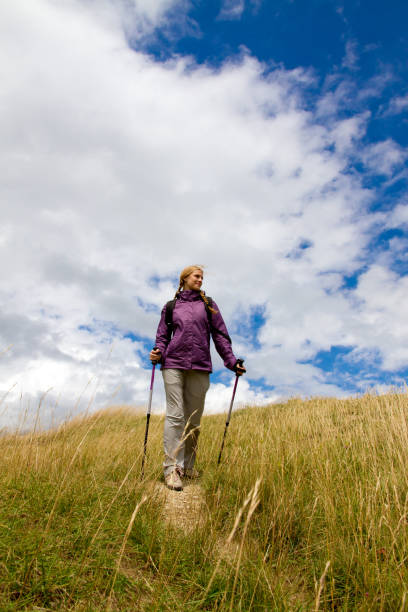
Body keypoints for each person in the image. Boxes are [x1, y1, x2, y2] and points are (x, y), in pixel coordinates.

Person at [150, 265, 246, 491]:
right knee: (175, 416)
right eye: (196, 276)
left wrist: (231, 361)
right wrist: (158, 351)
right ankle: (171, 469)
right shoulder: (171, 306)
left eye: (202, 277)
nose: (200, 280)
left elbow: (220, 336)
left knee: (193, 420)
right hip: (173, 363)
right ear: (184, 278)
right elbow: (162, 336)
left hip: (200, 365)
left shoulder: (209, 305)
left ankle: (189, 466)